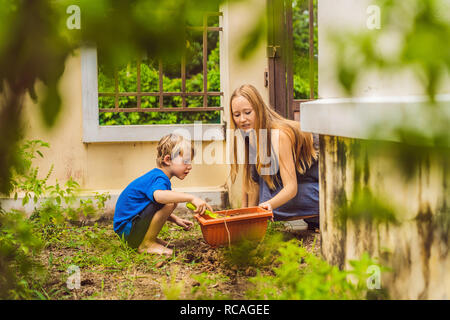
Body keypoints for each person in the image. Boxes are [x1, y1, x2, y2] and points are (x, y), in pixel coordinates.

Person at [229, 84, 319, 229]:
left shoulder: (279, 135)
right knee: (263, 182)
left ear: (259, 110)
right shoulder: (251, 135)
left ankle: (321, 214)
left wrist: (265, 207)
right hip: (306, 183)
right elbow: (250, 182)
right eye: (237, 115)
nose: (242, 119)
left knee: (267, 200)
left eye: (247, 112)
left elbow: (291, 188)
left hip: (327, 188)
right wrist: (242, 219)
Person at [113, 133, 213, 255]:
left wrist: (175, 219)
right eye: (186, 161)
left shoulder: (157, 176)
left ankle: (148, 239)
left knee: (169, 200)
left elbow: (152, 205)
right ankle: (147, 244)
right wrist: (191, 197)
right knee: (171, 201)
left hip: (127, 229)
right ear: (167, 160)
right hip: (128, 230)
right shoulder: (159, 178)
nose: (190, 166)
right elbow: (159, 197)